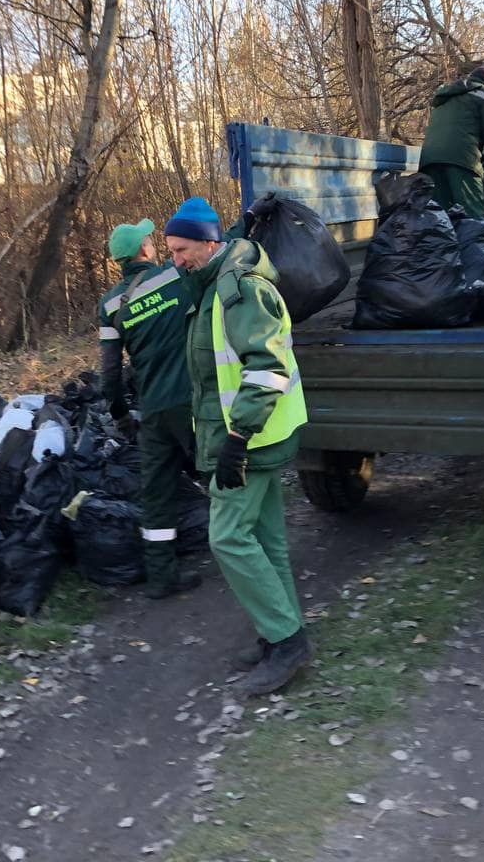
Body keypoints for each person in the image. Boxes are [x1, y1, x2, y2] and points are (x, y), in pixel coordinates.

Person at [163, 196, 312, 695]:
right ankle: (281, 635)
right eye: (170, 251)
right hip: (256, 437)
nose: (176, 260)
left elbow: (266, 369)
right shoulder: (211, 285)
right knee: (265, 538)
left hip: (251, 440)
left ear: (210, 244)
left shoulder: (238, 291)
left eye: (182, 249)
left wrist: (235, 439)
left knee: (226, 537)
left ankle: (286, 641)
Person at [98, 217, 203, 600]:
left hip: (153, 409)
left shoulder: (110, 304)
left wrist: (120, 414)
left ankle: (162, 578)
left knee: (156, 493)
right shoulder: (174, 278)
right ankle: (244, 554)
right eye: (149, 239)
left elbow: (109, 373)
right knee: (217, 474)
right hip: (190, 402)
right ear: (144, 250)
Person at [418, 64, 484, 220]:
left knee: (440, 220)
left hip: (429, 160)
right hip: (462, 160)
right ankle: (474, 244)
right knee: (473, 218)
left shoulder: (445, 96)